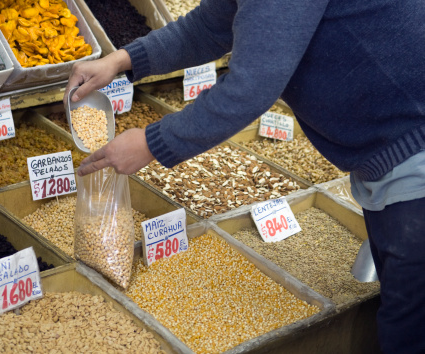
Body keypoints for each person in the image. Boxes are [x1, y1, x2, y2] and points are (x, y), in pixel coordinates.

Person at [64, 0, 425, 352]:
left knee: (409, 330)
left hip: (414, 154)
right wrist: (122, 60)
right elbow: (211, 24)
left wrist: (150, 143)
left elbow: (251, 87)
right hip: (390, 157)